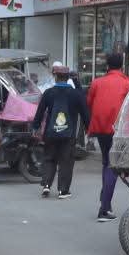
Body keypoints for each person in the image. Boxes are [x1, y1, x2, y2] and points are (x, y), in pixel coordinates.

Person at [86, 51, 129, 221]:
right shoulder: (127, 84)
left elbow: (89, 103)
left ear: (107, 65)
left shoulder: (97, 83)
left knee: (107, 162)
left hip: (100, 128)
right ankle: (104, 207)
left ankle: (105, 200)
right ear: (122, 65)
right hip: (117, 130)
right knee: (112, 166)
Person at [32, 64, 88, 199]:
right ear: (68, 77)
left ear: (55, 77)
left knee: (49, 158)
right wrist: (88, 129)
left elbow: (40, 113)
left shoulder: (48, 93)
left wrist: (35, 127)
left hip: (50, 133)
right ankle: (63, 191)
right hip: (69, 134)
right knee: (66, 161)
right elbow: (85, 113)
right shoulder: (76, 94)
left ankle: (46, 185)